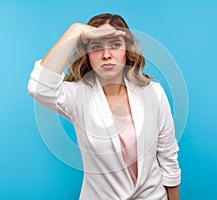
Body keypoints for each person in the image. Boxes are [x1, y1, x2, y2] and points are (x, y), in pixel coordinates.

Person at [27, 13, 181, 200]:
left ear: (127, 50)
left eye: (115, 45)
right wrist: (76, 30)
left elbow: (168, 158)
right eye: (96, 47)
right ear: (87, 55)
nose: (106, 55)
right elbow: (39, 87)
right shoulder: (77, 95)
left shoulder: (154, 93)